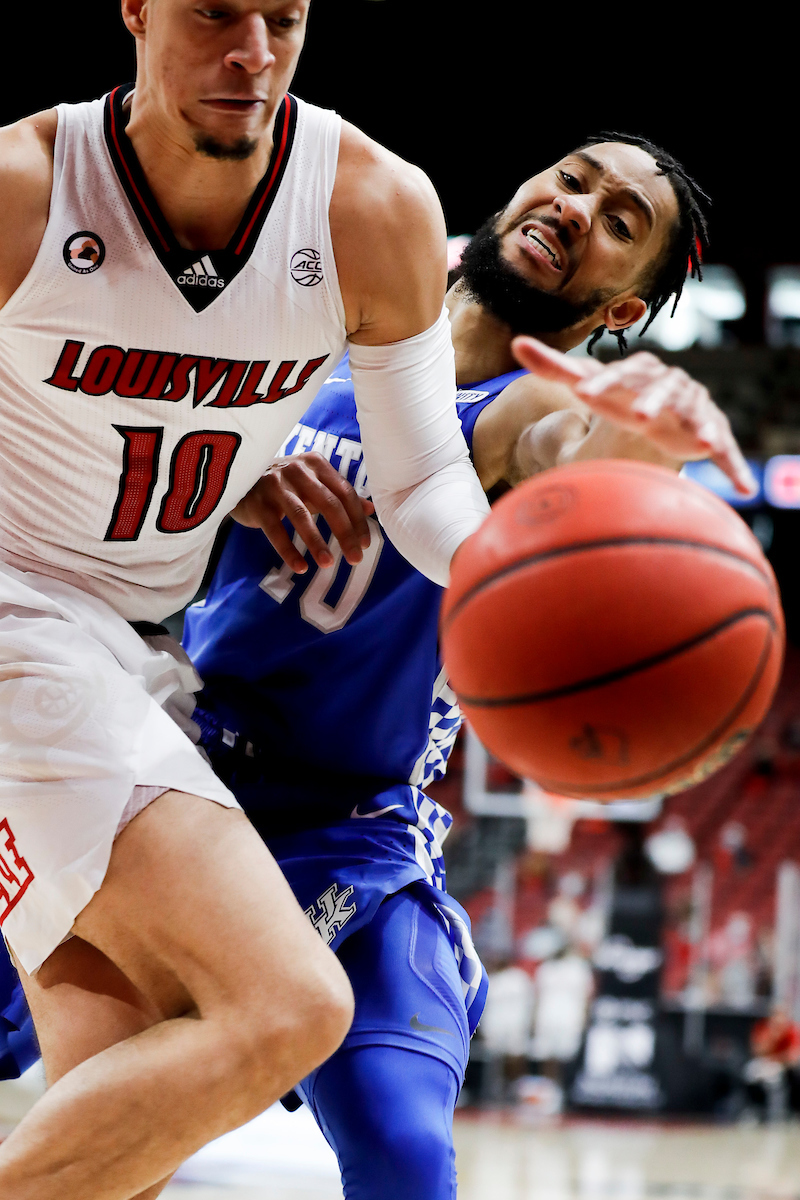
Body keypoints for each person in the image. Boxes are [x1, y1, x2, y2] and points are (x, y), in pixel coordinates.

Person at [0, 0, 516, 1194]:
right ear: (136, 10)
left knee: (117, 1132)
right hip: (22, 619)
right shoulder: (26, 186)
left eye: (281, 18)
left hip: (138, 651)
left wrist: (523, 578)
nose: (252, 53)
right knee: (289, 1005)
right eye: (215, 14)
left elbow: (422, 485)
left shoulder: (369, 205)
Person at [173, 136, 749, 1197]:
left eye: (620, 221)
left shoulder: (528, 406)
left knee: (402, 1149)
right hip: (175, 765)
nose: (578, 207)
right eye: (573, 179)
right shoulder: (342, 308)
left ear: (621, 308)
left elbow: (572, 455)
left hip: (343, 823)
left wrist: (640, 443)